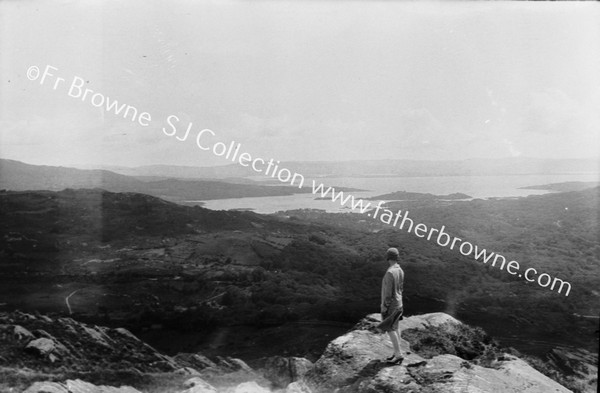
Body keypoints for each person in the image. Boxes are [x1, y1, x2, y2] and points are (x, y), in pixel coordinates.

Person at [377, 247, 405, 364]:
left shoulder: (389, 272)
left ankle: (398, 354)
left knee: (389, 328)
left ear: (388, 257)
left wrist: (384, 307)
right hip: (399, 303)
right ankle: (396, 352)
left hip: (391, 305)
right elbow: (401, 288)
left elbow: (388, 294)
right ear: (397, 257)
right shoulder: (400, 270)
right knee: (396, 327)